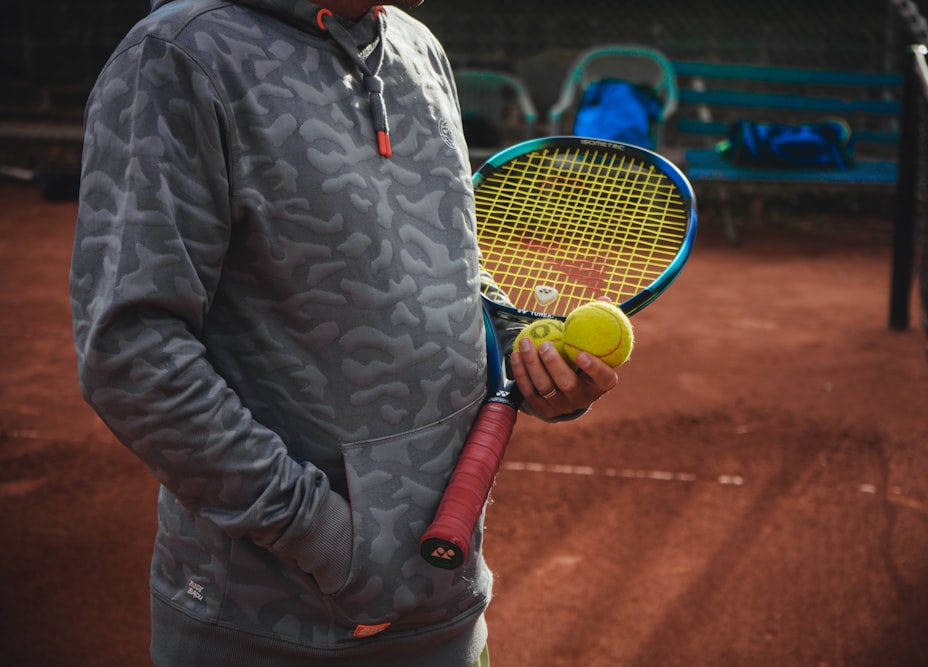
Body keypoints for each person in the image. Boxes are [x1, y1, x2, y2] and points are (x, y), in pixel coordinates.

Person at [69, 1, 620, 665]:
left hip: (445, 605)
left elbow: (449, 270)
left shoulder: (417, 47)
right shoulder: (179, 55)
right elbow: (132, 350)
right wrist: (329, 541)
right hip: (269, 630)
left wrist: (528, 356)